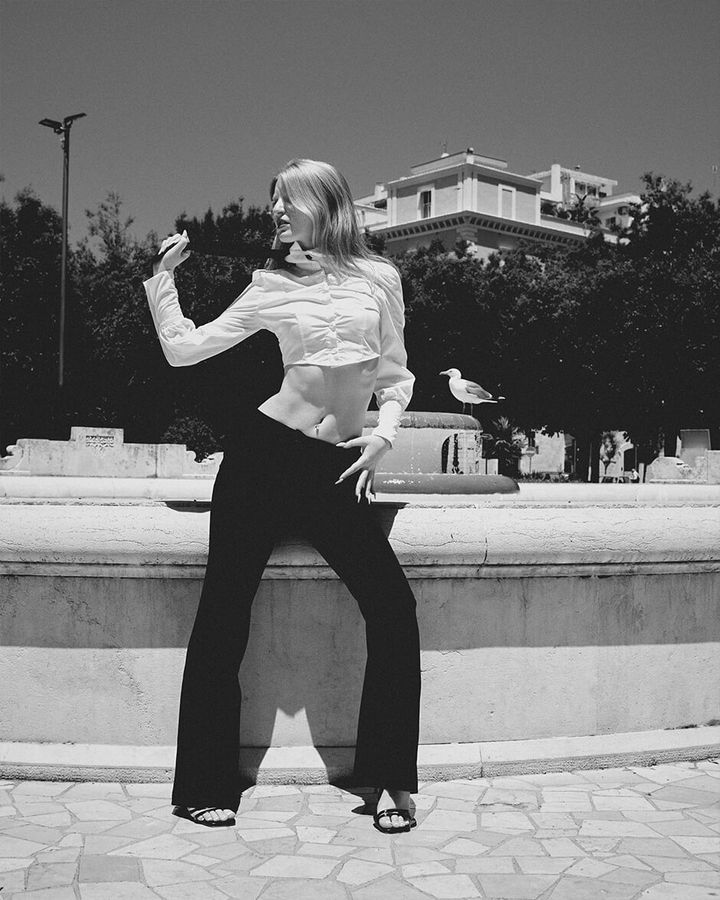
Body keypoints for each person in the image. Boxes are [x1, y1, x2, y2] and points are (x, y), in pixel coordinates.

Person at [143, 158, 421, 834]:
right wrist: (164, 281)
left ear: (323, 202)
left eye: (285, 200)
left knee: (393, 608)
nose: (275, 212)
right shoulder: (269, 284)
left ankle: (389, 780)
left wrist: (384, 437)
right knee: (223, 615)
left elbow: (395, 374)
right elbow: (185, 350)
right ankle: (205, 784)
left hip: (339, 469)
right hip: (263, 458)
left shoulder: (379, 278)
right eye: (273, 202)